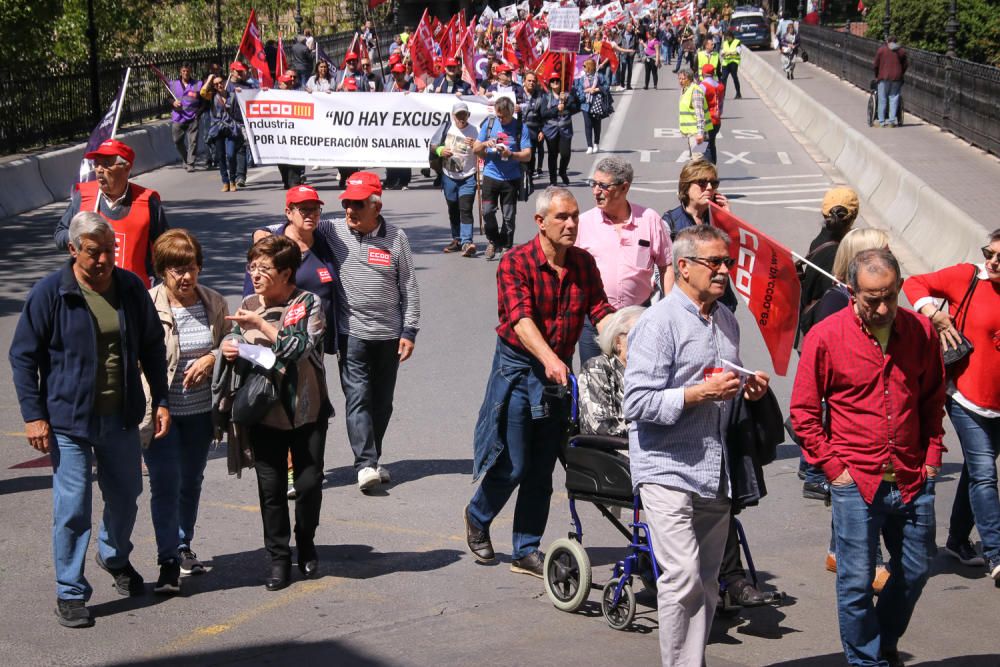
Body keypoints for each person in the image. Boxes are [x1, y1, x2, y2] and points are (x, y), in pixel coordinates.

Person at [10, 211, 169, 628]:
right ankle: (70, 591)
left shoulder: (130, 288)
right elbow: (23, 356)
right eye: (93, 253)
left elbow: (152, 345)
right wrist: (33, 416)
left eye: (108, 252)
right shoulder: (51, 293)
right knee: (73, 506)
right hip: (68, 421)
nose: (102, 261)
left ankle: (113, 555)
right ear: (73, 249)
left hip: (120, 416)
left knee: (126, 495)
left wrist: (162, 399)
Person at [623, 224, 771, 666]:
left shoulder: (725, 319)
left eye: (727, 261)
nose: (724, 270)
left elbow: (725, 376)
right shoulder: (658, 323)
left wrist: (749, 387)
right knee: (682, 577)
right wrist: (697, 394)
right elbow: (637, 401)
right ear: (683, 268)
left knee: (706, 582)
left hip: (714, 465)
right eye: (715, 262)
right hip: (665, 467)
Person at [791, 248, 945, 667]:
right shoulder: (826, 336)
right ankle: (866, 660)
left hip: (913, 478)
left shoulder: (920, 332)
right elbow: (803, 413)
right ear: (851, 291)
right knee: (856, 582)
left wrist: (932, 456)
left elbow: (932, 399)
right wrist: (833, 467)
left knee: (915, 570)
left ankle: (880, 639)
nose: (881, 307)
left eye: (890, 296)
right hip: (855, 481)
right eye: (871, 298)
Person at [464, 187, 615, 576]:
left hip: (556, 376)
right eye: (562, 217)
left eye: (575, 217)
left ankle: (526, 548)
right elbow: (520, 318)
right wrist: (549, 358)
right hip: (519, 371)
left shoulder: (583, 263)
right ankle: (478, 516)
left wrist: (626, 341)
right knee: (514, 464)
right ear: (540, 222)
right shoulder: (516, 262)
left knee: (543, 469)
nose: (570, 224)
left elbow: (601, 310)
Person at [221, 235, 331, 592]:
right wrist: (228, 347)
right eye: (252, 267)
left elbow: (294, 347)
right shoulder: (250, 303)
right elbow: (237, 340)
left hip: (306, 409)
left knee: (309, 483)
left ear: (286, 273)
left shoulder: (308, 303)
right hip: (264, 412)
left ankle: (307, 541)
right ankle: (279, 559)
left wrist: (262, 324)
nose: (255, 274)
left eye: (264, 268)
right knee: (270, 490)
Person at [903, 229, 1000, 582]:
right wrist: (934, 313)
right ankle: (996, 553)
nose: (992, 262)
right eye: (989, 253)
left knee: (977, 472)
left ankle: (959, 541)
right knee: (985, 472)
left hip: (998, 404)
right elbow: (915, 283)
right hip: (964, 397)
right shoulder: (968, 276)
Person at [317, 173, 420, 491]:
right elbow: (299, 226)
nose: (350, 210)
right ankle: (365, 465)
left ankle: (371, 458)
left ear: (376, 206)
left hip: (389, 335)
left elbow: (409, 288)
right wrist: (265, 232)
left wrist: (410, 330)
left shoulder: (397, 238)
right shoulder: (332, 230)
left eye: (358, 204)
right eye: (347, 203)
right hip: (352, 334)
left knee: (382, 403)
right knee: (357, 398)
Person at [138, 229, 228, 594]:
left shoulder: (214, 303)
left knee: (191, 481)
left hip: (201, 413)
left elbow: (231, 344)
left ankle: (182, 544)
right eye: (176, 270)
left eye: (191, 268)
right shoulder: (147, 304)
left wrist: (212, 357)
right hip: (161, 412)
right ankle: (167, 562)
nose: (186, 277)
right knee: (165, 483)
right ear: (162, 270)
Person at [576, 157, 673, 365]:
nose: (596, 191)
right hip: (595, 321)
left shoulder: (649, 219)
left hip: (638, 320)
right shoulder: (583, 223)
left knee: (639, 382)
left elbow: (666, 265)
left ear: (624, 187)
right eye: (594, 184)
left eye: (603, 186)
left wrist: (670, 307)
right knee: (594, 383)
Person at [55, 139, 169, 288]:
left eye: (107, 164)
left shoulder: (148, 202)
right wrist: (81, 238)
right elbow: (60, 234)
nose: (99, 169)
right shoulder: (83, 197)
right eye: (96, 164)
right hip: (89, 291)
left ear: (126, 168)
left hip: (134, 292)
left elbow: (166, 246)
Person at [474, 97, 533, 261]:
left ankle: (507, 245)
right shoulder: (490, 124)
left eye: (504, 116)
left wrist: (511, 154)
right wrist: (486, 144)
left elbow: (527, 155)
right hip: (491, 176)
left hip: (510, 179)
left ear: (512, 112)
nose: (501, 119)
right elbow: (475, 148)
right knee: (487, 212)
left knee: (508, 216)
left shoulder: (521, 127)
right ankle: (493, 240)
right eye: (499, 116)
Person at [579, 306, 645, 438]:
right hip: (615, 451)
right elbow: (598, 425)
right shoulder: (597, 367)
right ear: (618, 341)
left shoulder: (654, 371)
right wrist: (651, 430)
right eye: (640, 334)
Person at [431, 102, 480, 257]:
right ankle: (456, 239)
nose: (461, 118)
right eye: (458, 115)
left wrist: (476, 145)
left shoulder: (475, 130)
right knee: (453, 208)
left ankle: (467, 242)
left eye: (463, 115)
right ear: (453, 116)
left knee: (465, 208)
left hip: (468, 176)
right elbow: (432, 145)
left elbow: (483, 149)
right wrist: (440, 150)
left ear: (468, 115)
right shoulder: (447, 128)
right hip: (449, 176)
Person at [200, 74, 244, 193]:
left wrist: (242, 92)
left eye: (221, 82)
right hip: (217, 129)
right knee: (220, 156)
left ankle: (232, 180)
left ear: (225, 82)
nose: (219, 85)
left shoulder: (233, 95)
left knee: (230, 155)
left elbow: (248, 98)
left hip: (231, 129)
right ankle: (225, 182)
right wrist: (209, 79)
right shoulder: (212, 96)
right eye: (216, 84)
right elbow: (202, 92)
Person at [540, 74, 579, 187]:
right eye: (553, 81)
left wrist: (566, 103)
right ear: (550, 83)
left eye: (557, 80)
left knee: (565, 153)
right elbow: (543, 113)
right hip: (550, 130)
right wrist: (556, 109)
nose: (555, 83)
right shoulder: (546, 97)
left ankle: (562, 171)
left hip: (565, 130)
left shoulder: (568, 94)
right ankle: (553, 179)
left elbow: (576, 108)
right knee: (552, 155)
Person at [383, 64, 417, 191]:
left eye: (399, 73)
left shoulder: (412, 87)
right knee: (390, 152)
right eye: (395, 73)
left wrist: (411, 97)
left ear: (404, 74)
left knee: (404, 152)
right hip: (390, 125)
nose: (397, 76)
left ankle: (404, 180)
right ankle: (391, 179)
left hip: (405, 126)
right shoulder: (388, 87)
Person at [224, 62, 258, 188]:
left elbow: (256, 96)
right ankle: (231, 175)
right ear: (231, 71)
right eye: (237, 71)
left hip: (243, 123)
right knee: (230, 153)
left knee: (242, 149)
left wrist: (262, 92)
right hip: (229, 123)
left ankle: (240, 176)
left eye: (241, 71)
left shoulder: (248, 86)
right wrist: (232, 92)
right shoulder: (226, 86)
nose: (240, 74)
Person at [169, 63, 203, 172]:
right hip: (178, 117)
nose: (186, 73)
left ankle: (190, 163)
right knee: (177, 141)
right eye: (184, 71)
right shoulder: (173, 84)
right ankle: (185, 158)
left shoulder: (198, 84)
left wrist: (198, 113)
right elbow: (168, 98)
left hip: (193, 117)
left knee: (193, 141)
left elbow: (204, 100)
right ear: (180, 72)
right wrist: (173, 102)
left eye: (187, 71)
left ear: (190, 71)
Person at [275, 74, 306, 189]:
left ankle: (295, 181)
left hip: (295, 133)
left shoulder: (297, 95)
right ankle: (286, 179)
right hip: (280, 133)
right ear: (280, 85)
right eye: (286, 83)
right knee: (282, 160)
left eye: (290, 83)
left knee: (295, 157)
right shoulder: (273, 95)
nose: (289, 85)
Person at [574, 59, 610, 155]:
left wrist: (597, 89)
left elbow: (606, 87)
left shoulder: (599, 76)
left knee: (597, 124)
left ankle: (596, 143)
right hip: (585, 104)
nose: (583, 68)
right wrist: (587, 91)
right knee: (588, 125)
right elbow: (578, 90)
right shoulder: (582, 78)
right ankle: (589, 145)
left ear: (589, 67)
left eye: (585, 66)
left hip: (596, 103)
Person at [676, 68, 713, 159]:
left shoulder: (695, 91)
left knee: (698, 160)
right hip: (691, 133)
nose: (680, 81)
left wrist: (700, 133)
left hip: (697, 133)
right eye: (679, 79)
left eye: (683, 79)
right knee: (695, 159)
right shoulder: (685, 89)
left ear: (690, 79)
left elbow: (700, 114)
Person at [873, 35, 908, 128]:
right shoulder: (901, 51)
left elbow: (876, 64)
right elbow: (905, 65)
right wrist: (901, 73)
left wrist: (877, 75)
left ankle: (881, 122)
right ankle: (892, 121)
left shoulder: (881, 50)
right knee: (894, 98)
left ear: (887, 41)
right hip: (897, 78)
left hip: (883, 77)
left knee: (882, 99)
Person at [520, 72, 546, 176]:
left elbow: (543, 115)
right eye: (529, 81)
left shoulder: (540, 95)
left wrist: (542, 130)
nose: (531, 83)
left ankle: (530, 176)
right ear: (524, 81)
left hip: (533, 130)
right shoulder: (517, 93)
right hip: (519, 128)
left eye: (533, 81)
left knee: (531, 154)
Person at [698, 64, 724, 164]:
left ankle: (706, 169)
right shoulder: (720, 86)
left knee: (703, 146)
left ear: (703, 73)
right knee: (711, 144)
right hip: (717, 120)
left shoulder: (702, 87)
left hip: (707, 120)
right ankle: (713, 166)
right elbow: (721, 104)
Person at [720, 29, 742, 98]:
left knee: (734, 77)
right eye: (725, 37)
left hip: (733, 62)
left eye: (727, 37)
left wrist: (729, 53)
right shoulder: (725, 43)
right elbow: (723, 51)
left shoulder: (737, 42)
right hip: (726, 63)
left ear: (731, 36)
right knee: (723, 78)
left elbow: (738, 51)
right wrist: (723, 54)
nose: (726, 38)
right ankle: (722, 94)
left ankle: (738, 93)